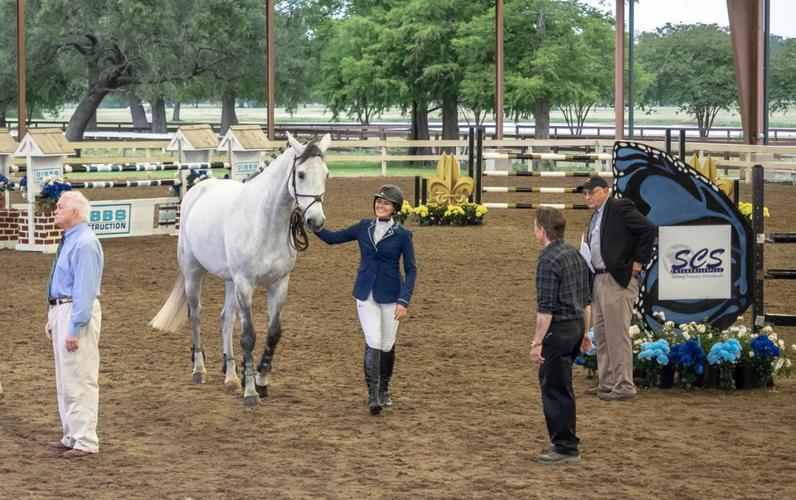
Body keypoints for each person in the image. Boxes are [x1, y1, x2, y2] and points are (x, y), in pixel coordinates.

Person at [314, 184, 416, 415]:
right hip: (365, 293)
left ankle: (384, 388)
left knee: (387, 344)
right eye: (378, 201)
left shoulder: (403, 235)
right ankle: (373, 395)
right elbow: (333, 239)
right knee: (374, 340)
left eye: (386, 203)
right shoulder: (363, 227)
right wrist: (313, 225)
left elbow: (411, 270)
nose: (381, 205)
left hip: (391, 295)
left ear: (395, 208)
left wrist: (404, 301)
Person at [582, 176, 656, 401]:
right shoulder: (596, 215)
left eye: (592, 192)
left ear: (606, 191)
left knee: (616, 334)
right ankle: (607, 382)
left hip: (617, 279)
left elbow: (648, 229)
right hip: (599, 278)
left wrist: (638, 263)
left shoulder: (619, 207)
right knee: (602, 334)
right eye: (585, 194)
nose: (588, 197)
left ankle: (624, 385)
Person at [44, 190, 104, 458]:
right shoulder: (73, 240)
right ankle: (72, 434)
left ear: (75, 213)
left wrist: (75, 327)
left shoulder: (84, 243)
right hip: (63, 308)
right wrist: (52, 316)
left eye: (60, 207)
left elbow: (84, 289)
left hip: (74, 310)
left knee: (79, 376)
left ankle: (85, 440)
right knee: (67, 377)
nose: (55, 211)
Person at [530, 207, 592, 465]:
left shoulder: (548, 260)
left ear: (543, 231)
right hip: (576, 326)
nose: (534, 232)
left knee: (554, 388)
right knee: (564, 387)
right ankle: (568, 441)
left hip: (558, 331)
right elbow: (586, 300)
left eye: (535, 227)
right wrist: (585, 334)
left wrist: (537, 342)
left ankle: (565, 447)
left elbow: (545, 309)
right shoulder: (575, 254)